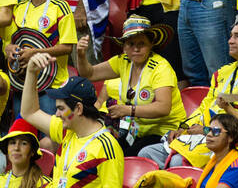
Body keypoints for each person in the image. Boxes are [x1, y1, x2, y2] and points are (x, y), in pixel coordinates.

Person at [75, 16, 185, 154]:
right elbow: (89, 74)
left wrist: (128, 110)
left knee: (125, 155)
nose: (136, 49)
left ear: (151, 44)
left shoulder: (161, 68)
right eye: (131, 44)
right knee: (103, 149)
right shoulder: (123, 61)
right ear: (124, 47)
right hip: (136, 131)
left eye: (142, 44)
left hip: (165, 131)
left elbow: (164, 107)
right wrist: (81, 55)